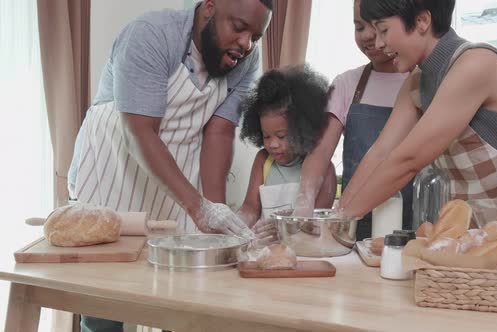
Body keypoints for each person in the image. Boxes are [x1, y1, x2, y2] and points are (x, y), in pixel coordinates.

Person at [68, 0, 272, 331]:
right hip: (113, 169)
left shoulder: (245, 61)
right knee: (104, 299)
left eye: (255, 36)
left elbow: (218, 134)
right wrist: (198, 207)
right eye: (238, 28)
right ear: (209, 7)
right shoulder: (151, 34)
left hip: (176, 182)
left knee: (179, 299)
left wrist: (214, 209)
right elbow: (140, 132)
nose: (246, 45)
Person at [338, 0, 497, 221]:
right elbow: (381, 152)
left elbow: (407, 160)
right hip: (491, 229)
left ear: (422, 21)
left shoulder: (476, 63)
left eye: (383, 30)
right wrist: (337, 218)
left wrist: (345, 219)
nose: (379, 43)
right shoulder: (415, 82)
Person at [293, 0, 410, 240]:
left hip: (414, 224)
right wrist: (304, 200)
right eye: (359, 27)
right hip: (354, 226)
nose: (368, 36)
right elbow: (321, 151)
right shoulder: (347, 84)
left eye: (377, 27)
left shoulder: (420, 81)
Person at [237, 65, 336, 237]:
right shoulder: (263, 160)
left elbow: (317, 221)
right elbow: (251, 207)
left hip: (306, 251)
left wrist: (284, 226)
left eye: (281, 136)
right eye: (266, 136)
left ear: (302, 129)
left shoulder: (324, 168)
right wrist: (238, 225)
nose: (273, 144)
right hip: (268, 248)